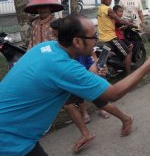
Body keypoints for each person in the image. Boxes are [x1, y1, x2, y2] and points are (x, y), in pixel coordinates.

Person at [0, 14, 150, 156]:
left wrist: (89, 80)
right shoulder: (64, 66)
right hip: (11, 141)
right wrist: (148, 65)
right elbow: (113, 93)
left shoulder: (46, 47)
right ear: (77, 41)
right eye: (93, 36)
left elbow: (54, 91)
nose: (97, 40)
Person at [49, 19, 133, 153]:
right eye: (53, 35)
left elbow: (91, 59)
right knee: (69, 104)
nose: (55, 38)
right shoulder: (57, 48)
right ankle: (86, 133)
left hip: (83, 79)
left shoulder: (78, 46)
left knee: (102, 103)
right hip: (75, 80)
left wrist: (98, 68)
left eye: (56, 35)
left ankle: (126, 119)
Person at [98, 0, 136, 76]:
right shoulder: (108, 9)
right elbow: (120, 20)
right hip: (111, 38)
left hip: (101, 38)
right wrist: (131, 24)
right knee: (128, 53)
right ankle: (129, 75)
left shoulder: (100, 8)